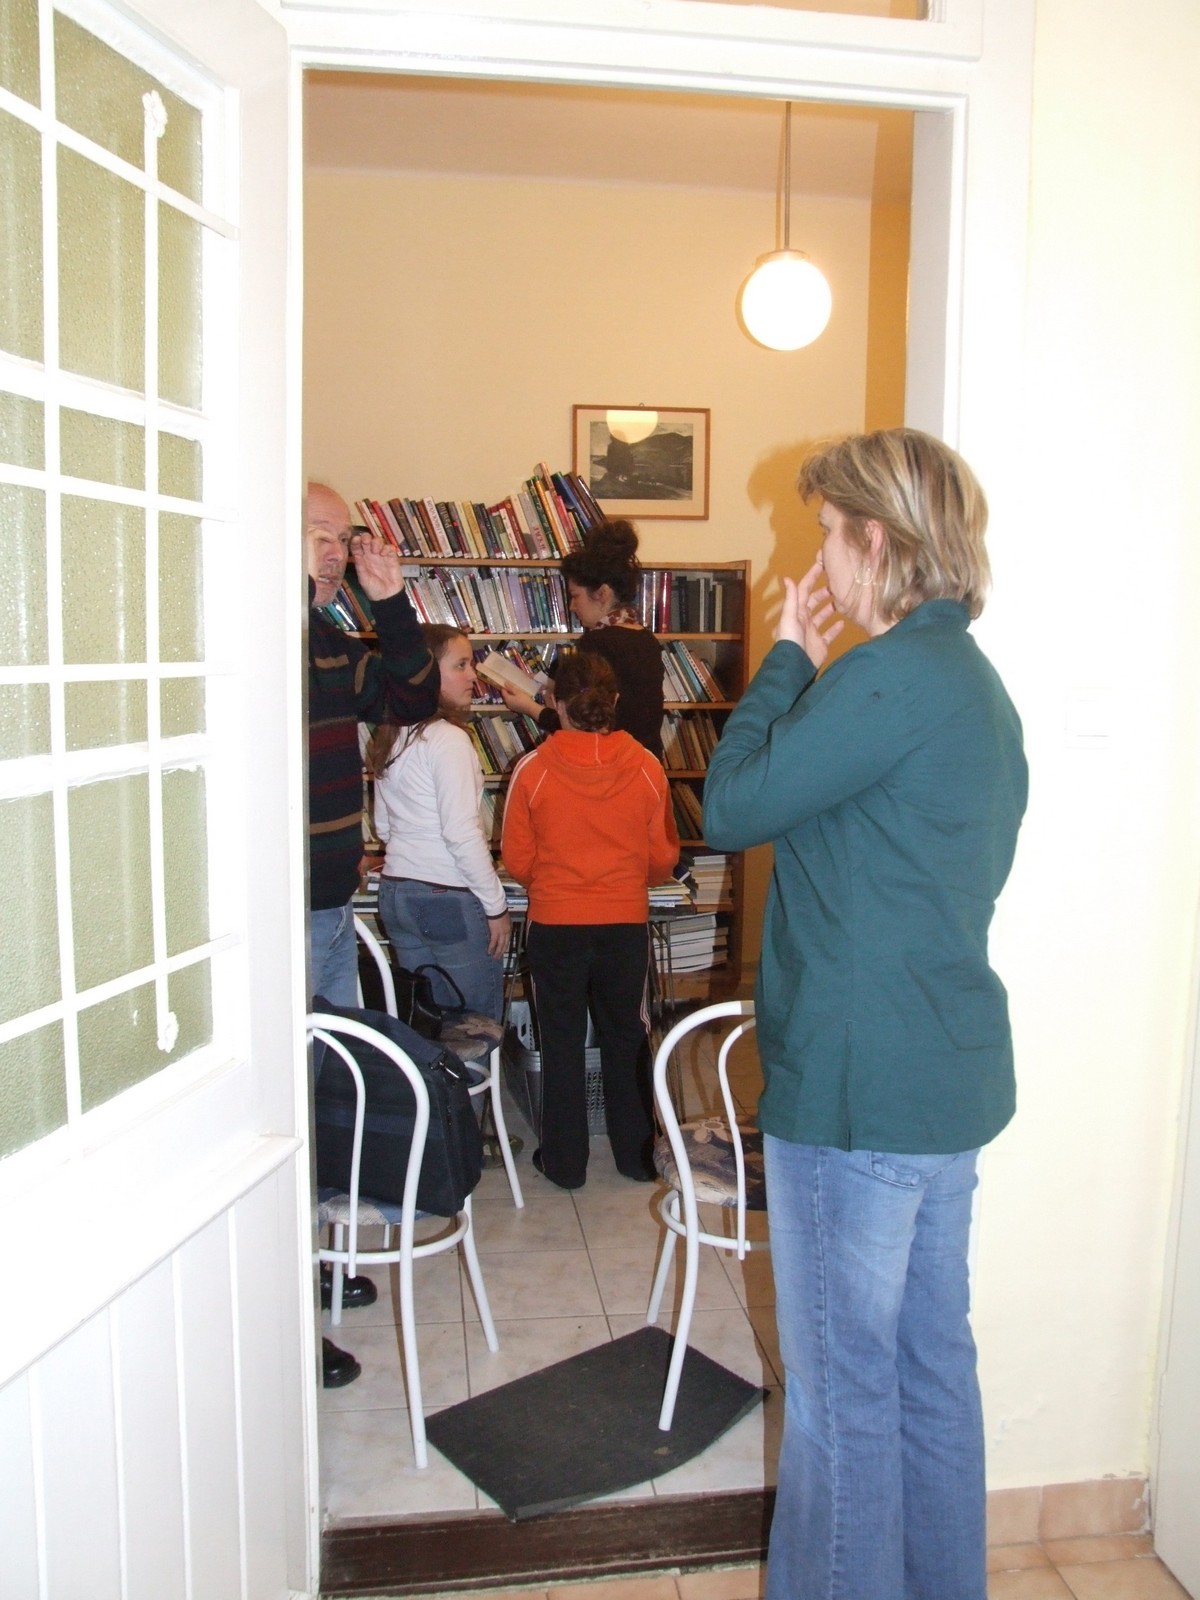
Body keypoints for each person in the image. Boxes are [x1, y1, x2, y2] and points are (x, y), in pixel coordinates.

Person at [702, 429, 1028, 1600]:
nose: (820, 559)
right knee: (932, 1373)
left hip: (857, 1097)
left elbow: (731, 803)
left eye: (829, 533)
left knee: (842, 1401)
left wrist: (786, 657)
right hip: (943, 1086)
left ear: (875, 539)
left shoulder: (883, 679)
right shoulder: (974, 686)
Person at [306, 480, 440, 1389]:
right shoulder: (257, 631)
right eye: (316, 533)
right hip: (274, 914)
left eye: (339, 535)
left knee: (325, 1096)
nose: (333, 548)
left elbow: (414, 699)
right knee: (293, 1102)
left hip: (327, 904)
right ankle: (289, 1301)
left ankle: (318, 1259)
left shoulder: (328, 640)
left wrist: (390, 601)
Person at [501, 650, 679, 1189]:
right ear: (615, 700)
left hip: (556, 924)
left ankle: (564, 1162)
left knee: (559, 1039)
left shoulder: (531, 770)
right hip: (623, 923)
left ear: (555, 703)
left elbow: (517, 858)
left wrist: (556, 884)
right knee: (627, 1034)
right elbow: (662, 859)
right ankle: (636, 1155)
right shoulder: (646, 767)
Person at [365, 625, 512, 1021]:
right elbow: (461, 834)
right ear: (426, 674)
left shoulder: (391, 735)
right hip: (446, 896)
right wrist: (496, 906)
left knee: (426, 1021)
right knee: (476, 1024)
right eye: (460, 665)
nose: (473, 676)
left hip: (397, 893)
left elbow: (384, 827)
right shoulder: (448, 740)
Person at [496, 518, 665, 758]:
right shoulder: (647, 640)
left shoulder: (597, 643)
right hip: (644, 762)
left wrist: (528, 706)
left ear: (603, 593)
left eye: (575, 596)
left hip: (608, 765)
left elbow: (578, 725)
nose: (572, 606)